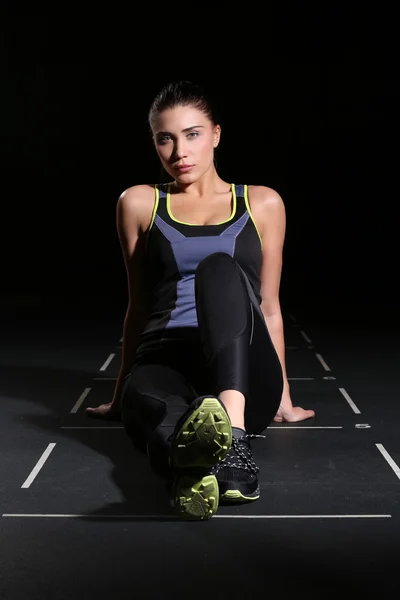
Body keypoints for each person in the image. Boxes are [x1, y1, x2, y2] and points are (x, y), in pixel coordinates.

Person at [86, 80, 315, 520]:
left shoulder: (261, 202)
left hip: (243, 368)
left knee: (218, 269)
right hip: (164, 356)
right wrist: (119, 397)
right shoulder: (139, 202)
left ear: (216, 135)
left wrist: (283, 394)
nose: (179, 152)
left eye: (192, 134)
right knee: (158, 418)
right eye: (165, 138)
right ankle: (188, 470)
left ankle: (233, 435)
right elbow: (138, 307)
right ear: (154, 142)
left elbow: (269, 307)